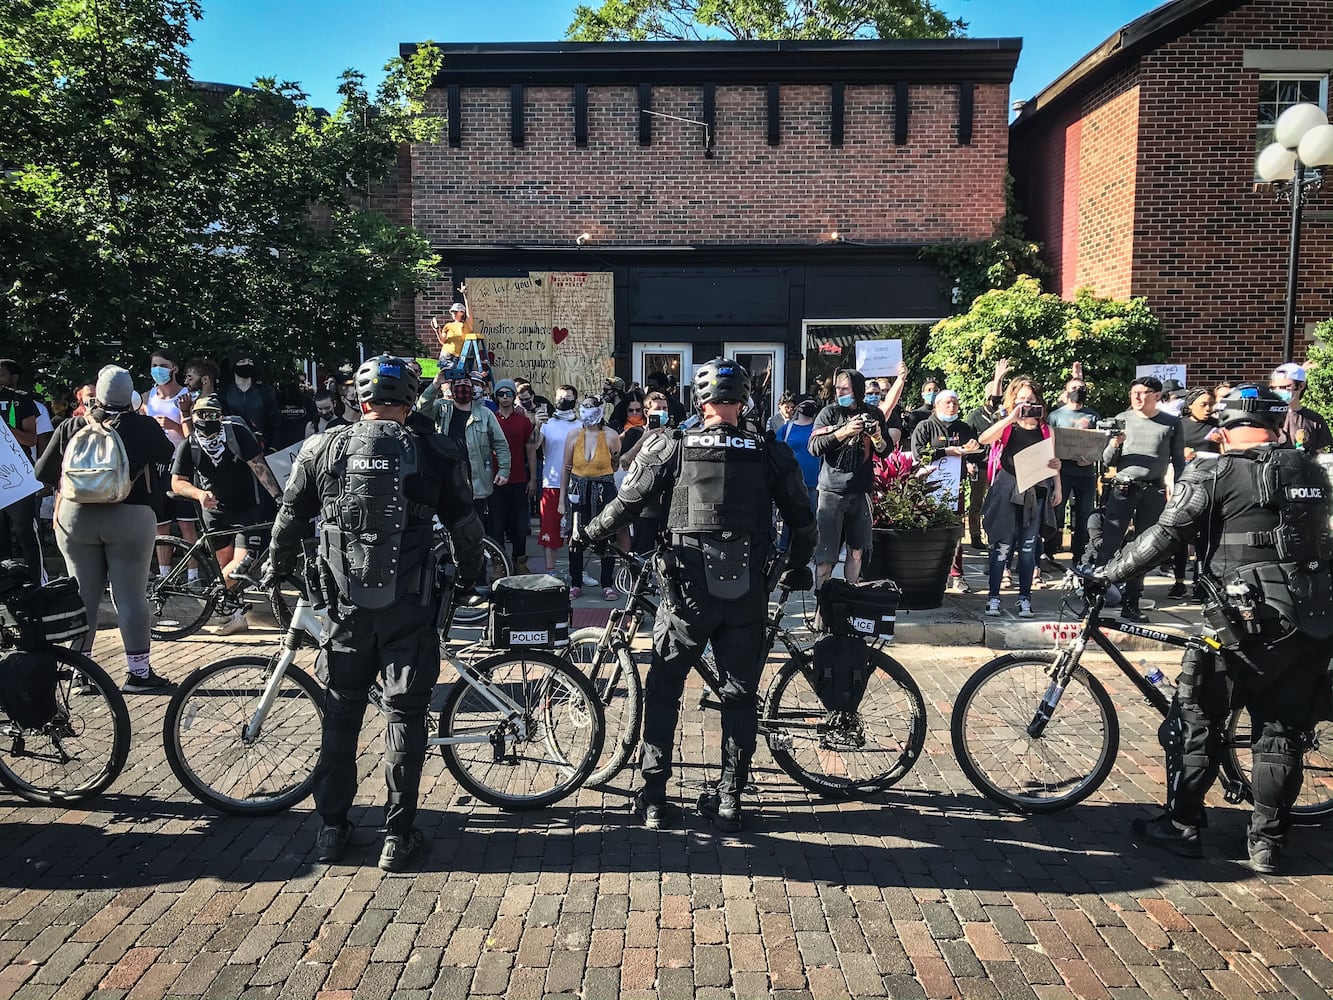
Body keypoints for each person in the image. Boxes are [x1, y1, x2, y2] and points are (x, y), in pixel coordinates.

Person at [1094, 384, 1333, 874]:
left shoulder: (1214, 468)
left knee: (1196, 717)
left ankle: (1181, 825)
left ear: (1223, 429)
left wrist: (1108, 573)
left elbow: (1166, 533)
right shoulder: (1311, 470)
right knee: (1281, 731)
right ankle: (1267, 842)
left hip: (1238, 620)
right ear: (1275, 426)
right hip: (1309, 619)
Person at [573, 358, 816, 831]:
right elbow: (802, 520)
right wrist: (796, 566)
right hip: (746, 592)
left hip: (686, 593)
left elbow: (628, 502)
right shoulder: (768, 450)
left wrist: (588, 534)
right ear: (745, 400)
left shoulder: (671, 445)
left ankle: (655, 800)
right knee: (740, 695)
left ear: (700, 399)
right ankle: (730, 798)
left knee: (663, 691)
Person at [264, 355, 485, 872]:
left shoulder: (322, 446)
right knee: (405, 712)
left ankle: (332, 828)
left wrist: (274, 570)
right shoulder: (434, 446)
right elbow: (465, 523)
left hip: (343, 603)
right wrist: (471, 577)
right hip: (410, 601)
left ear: (359, 399)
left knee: (342, 712)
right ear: (410, 400)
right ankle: (397, 835)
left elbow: (290, 515)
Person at [33, 365, 176, 692]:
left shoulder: (72, 425)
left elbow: (43, 471)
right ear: (131, 396)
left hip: (75, 518)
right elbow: (169, 456)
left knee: (83, 595)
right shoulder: (143, 426)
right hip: (129, 515)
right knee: (130, 597)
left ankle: (80, 672)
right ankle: (139, 674)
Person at [170, 393, 284, 635]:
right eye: (202, 414)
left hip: (247, 506)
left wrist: (278, 497)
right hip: (214, 510)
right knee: (226, 565)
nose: (207, 419)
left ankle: (211, 596)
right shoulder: (189, 445)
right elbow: (177, 482)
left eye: (213, 414)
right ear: (194, 416)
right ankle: (235, 615)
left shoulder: (236, 434)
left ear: (220, 417)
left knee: (242, 563)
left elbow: (259, 466)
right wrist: (199, 493)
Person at [1087, 375, 1186, 622]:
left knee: (1144, 547)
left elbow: (1179, 461)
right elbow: (1107, 460)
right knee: (1109, 543)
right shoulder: (1123, 419)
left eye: (1143, 393)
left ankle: (1132, 602)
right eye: (1134, 394)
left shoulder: (1171, 423)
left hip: (1153, 488)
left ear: (1156, 396)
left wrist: (1181, 487)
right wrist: (1114, 444)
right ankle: (1094, 597)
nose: (1138, 398)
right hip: (1123, 487)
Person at [978, 378, 1061, 619]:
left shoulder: (1046, 429)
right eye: (1021, 400)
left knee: (1027, 549)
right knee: (1001, 547)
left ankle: (1025, 597)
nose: (1026, 405)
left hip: (1036, 491)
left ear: (1039, 402)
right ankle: (993, 597)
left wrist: (1057, 486)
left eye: (1031, 400)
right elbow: (984, 439)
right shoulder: (1008, 425)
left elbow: (1053, 461)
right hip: (1008, 489)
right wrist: (1011, 417)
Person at [808, 369, 891, 588]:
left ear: (857, 390)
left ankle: (850, 597)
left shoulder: (874, 413)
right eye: (837, 389)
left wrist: (876, 436)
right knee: (826, 555)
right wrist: (843, 432)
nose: (840, 393)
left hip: (861, 491)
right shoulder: (829, 413)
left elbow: (884, 450)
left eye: (845, 389)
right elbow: (814, 447)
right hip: (831, 492)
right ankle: (822, 603)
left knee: (856, 552)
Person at [416, 371, 510, 529]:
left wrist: (504, 469)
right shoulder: (441, 408)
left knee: (475, 528)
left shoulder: (485, 414)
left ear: (473, 389)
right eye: (458, 384)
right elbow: (421, 411)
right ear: (452, 389)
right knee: (448, 526)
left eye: (466, 384)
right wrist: (435, 384)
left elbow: (500, 443)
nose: (462, 387)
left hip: (476, 482)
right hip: (447, 479)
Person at [910, 389, 982, 593]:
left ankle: (957, 575)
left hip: (954, 488)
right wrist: (946, 451)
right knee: (926, 531)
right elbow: (918, 453)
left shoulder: (964, 428)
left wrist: (974, 450)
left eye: (955, 404)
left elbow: (976, 454)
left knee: (955, 532)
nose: (952, 407)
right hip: (928, 488)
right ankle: (925, 573)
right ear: (936, 405)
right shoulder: (925, 426)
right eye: (948, 403)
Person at [142, 349, 201, 585]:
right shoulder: (147, 398)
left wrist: (173, 425)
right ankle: (164, 576)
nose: (157, 370)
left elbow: (195, 438)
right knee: (161, 526)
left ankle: (193, 576)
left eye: (162, 365)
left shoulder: (189, 396)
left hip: (182, 466)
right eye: (154, 365)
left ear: (174, 368)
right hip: (156, 467)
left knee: (187, 525)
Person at [560, 396, 621, 600]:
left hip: (604, 489)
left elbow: (615, 466)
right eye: (583, 407)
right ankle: (575, 582)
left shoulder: (611, 435)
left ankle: (607, 583)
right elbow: (566, 468)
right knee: (576, 536)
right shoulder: (573, 435)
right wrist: (561, 500)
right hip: (578, 489)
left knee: (607, 535)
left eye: (590, 407)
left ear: (599, 410)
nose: (586, 410)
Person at [1046, 371, 1100, 565]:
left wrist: (1091, 457)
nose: (1078, 391)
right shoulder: (1055, 416)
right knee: (1056, 511)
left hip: (1085, 472)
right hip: (1061, 471)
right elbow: (1047, 443)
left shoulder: (1093, 415)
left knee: (1084, 514)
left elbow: (1100, 442)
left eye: (1082, 389)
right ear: (1066, 392)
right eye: (1074, 389)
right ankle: (1050, 550)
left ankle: (1080, 555)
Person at [531, 385, 582, 577]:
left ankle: (576, 572)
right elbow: (533, 445)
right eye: (560, 397)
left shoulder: (581, 425)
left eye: (568, 397)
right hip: (551, 483)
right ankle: (550, 571)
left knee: (576, 532)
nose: (564, 400)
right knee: (550, 532)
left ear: (575, 400)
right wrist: (536, 425)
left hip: (576, 484)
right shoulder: (547, 424)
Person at [0, 360, 43, 583]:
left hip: (17, 477)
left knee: (24, 531)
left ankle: (37, 583)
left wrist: (6, 429)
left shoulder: (20, 399)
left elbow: (31, 439)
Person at [489, 379, 536, 574]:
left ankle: (519, 561)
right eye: (501, 394)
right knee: (496, 524)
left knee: (519, 525)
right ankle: (499, 563)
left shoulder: (523, 421)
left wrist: (533, 478)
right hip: (494, 479)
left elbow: (531, 450)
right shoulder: (490, 418)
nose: (505, 397)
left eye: (509, 394)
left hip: (518, 479)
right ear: (496, 396)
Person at [620, 391, 674, 555]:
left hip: (668, 505)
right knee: (641, 552)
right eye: (658, 408)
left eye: (665, 408)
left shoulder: (673, 435)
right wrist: (643, 440)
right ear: (647, 412)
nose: (663, 412)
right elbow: (624, 462)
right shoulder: (634, 433)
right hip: (645, 505)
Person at [220, 349, 280, 450]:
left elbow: (275, 423)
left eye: (250, 361)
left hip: (262, 448)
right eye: (242, 361)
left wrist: (273, 447)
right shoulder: (224, 394)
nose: (247, 364)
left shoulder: (265, 392)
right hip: (233, 449)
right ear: (234, 365)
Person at [1270, 363, 1332, 454]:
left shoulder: (1315, 420)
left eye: (1284, 387)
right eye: (1274, 388)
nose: (1278, 391)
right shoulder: (1267, 417)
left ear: (1301, 386)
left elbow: (1319, 458)